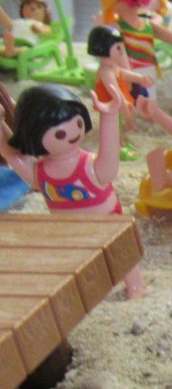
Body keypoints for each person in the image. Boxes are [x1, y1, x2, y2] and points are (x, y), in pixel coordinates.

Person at [0, 84, 144, 298]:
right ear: (34, 135)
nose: (73, 133)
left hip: (106, 224)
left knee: (121, 254)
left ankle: (135, 285)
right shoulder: (41, 173)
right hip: (69, 231)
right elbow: (12, 154)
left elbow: (110, 159)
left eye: (78, 123)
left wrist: (109, 116)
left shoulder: (89, 166)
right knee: (74, 263)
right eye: (60, 133)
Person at [87, 24, 153, 140]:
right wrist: (124, 104)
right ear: (104, 48)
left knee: (128, 112)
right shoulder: (105, 72)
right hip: (111, 101)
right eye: (118, 48)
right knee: (114, 121)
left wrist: (139, 78)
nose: (122, 51)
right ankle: (117, 136)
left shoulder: (112, 66)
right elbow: (114, 91)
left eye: (122, 46)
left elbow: (122, 73)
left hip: (120, 96)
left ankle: (130, 124)